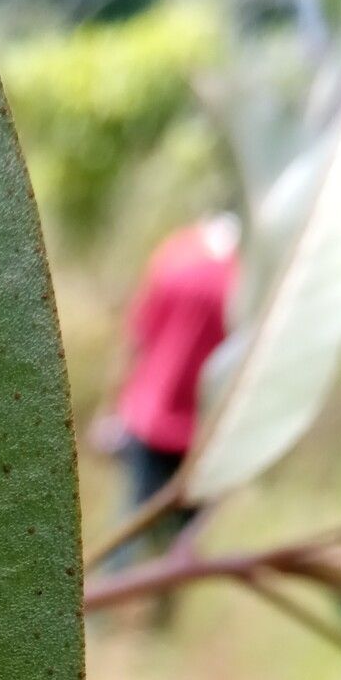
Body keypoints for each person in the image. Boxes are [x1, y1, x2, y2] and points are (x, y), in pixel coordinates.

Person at [94, 213, 240, 561]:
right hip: (205, 436)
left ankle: (99, 609)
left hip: (150, 417)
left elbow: (136, 338)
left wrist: (110, 409)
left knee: (130, 526)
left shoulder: (175, 255)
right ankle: (152, 605)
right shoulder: (243, 279)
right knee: (178, 544)